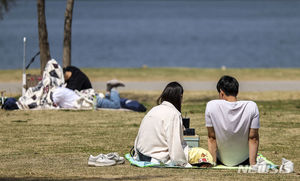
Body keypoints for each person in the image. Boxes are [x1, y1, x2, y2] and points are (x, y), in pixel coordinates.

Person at [205, 75, 260, 166]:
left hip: (221, 160)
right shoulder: (252, 106)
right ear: (237, 92)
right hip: (244, 161)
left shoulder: (211, 106)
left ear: (221, 93)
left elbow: (212, 138)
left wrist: (213, 164)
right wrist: (253, 164)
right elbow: (253, 138)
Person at [133, 82, 190, 167]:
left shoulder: (154, 109)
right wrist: (182, 161)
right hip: (154, 157)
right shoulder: (173, 114)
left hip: (140, 155)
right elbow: (175, 144)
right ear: (180, 97)